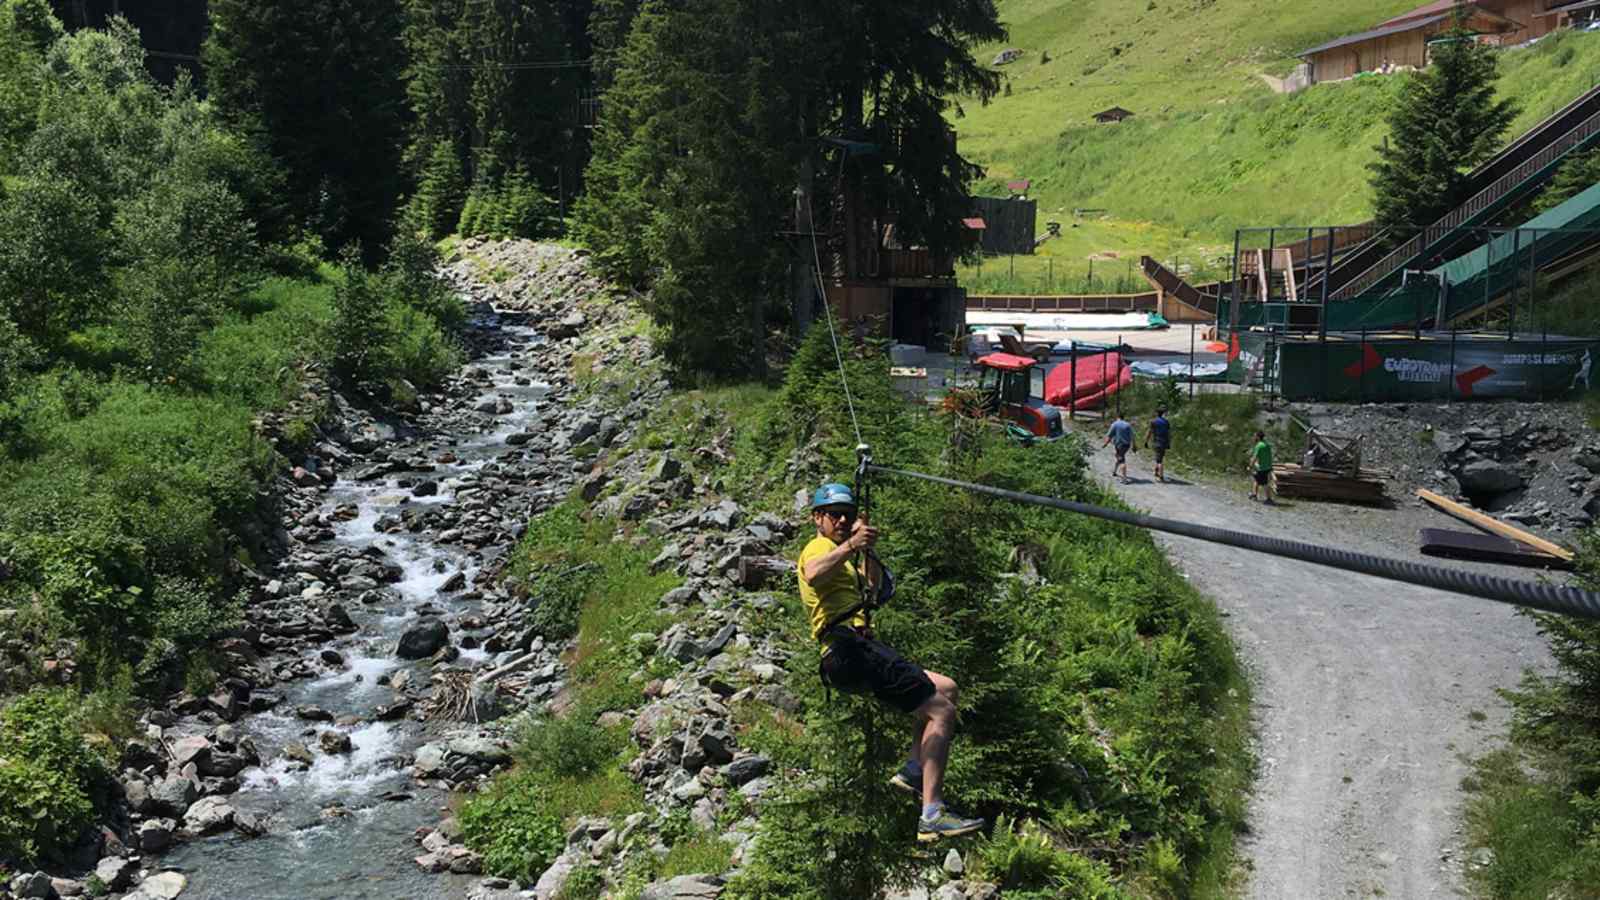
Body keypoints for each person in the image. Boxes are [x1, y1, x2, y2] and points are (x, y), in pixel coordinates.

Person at [796, 482, 984, 843]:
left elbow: (874, 590)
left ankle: (915, 769)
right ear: (817, 518)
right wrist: (851, 544)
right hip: (847, 650)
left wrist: (866, 550)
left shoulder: (844, 558)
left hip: (855, 652)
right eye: (834, 514)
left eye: (847, 515)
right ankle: (932, 813)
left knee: (946, 688)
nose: (841, 519)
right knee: (941, 710)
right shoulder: (817, 547)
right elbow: (813, 573)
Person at [1102, 414, 1135, 483]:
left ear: (1117, 417)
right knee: (1119, 456)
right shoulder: (1128, 425)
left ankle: (1124, 479)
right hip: (1127, 445)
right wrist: (1134, 445)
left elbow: (1110, 436)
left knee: (1121, 459)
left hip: (1119, 444)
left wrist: (1105, 444)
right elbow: (1132, 436)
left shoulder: (1115, 424)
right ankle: (1114, 471)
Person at [1144, 407, 1171, 483]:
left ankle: (1161, 477)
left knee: (1160, 460)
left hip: (1157, 442)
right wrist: (1168, 443)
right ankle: (1156, 472)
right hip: (1164, 442)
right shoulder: (1166, 422)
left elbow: (1150, 432)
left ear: (1157, 413)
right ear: (1163, 414)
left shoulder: (1153, 422)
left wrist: (1146, 441)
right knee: (1159, 456)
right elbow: (1168, 434)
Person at [1248, 430, 1275, 504]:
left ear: (1258, 437)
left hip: (1261, 467)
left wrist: (1250, 466)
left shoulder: (1259, 445)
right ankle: (1255, 495)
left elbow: (1254, 457)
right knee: (1258, 480)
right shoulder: (1267, 445)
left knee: (1262, 483)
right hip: (1267, 467)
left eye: (1255, 436)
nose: (1254, 437)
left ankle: (1267, 498)